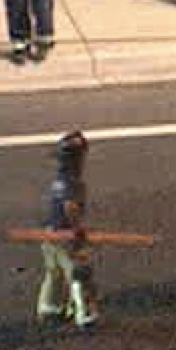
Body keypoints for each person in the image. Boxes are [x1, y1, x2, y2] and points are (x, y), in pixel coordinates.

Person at [37, 130, 98, 329]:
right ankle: (84, 314)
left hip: (49, 232)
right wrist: (77, 231)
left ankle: (49, 308)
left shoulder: (59, 179)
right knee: (79, 272)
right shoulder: (72, 181)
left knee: (54, 272)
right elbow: (70, 206)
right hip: (65, 234)